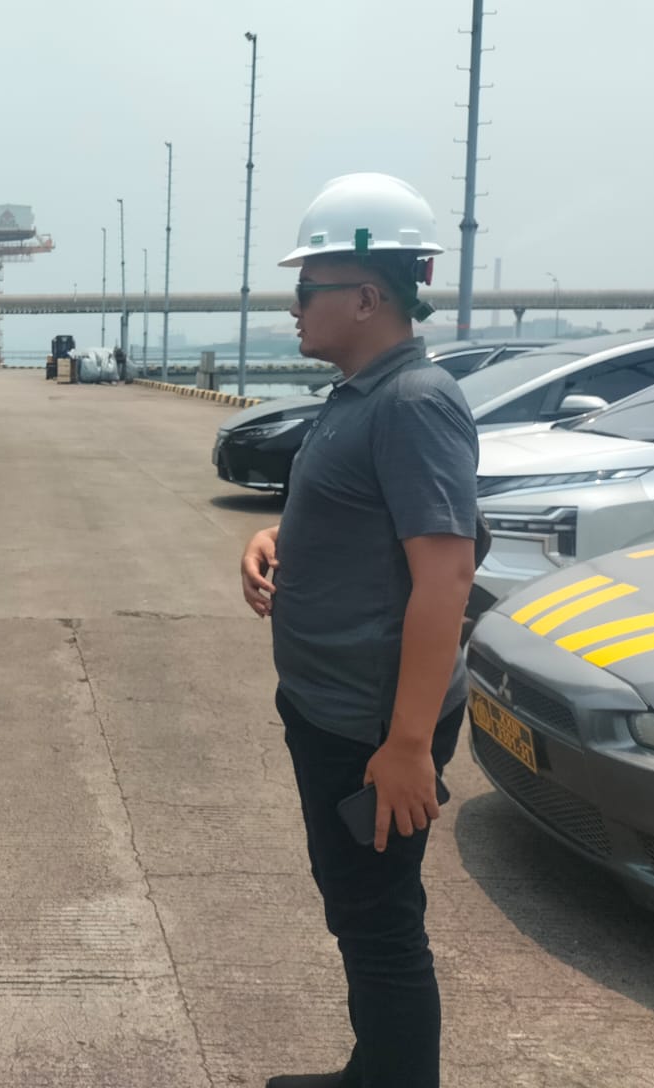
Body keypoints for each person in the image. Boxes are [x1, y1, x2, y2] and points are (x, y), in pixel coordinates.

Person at [239, 174, 479, 1088]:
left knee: (380, 926)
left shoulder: (414, 402)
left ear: (367, 298)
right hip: (330, 709)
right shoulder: (361, 393)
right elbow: (362, 519)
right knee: (356, 909)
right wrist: (276, 540)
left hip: (372, 727)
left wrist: (409, 745)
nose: (294, 306)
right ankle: (372, 1069)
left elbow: (445, 576)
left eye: (308, 288)